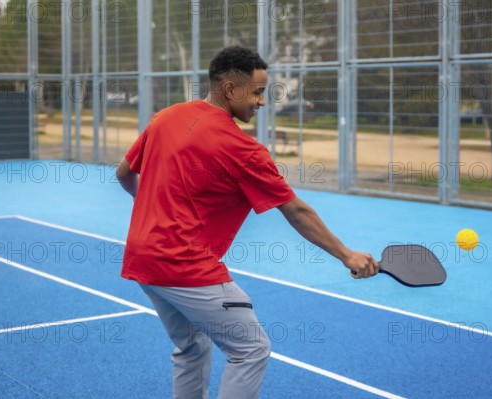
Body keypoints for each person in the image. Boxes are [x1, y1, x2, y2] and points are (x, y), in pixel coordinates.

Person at [116, 45, 379, 399]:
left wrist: (155, 209)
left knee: (191, 348)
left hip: (143, 259)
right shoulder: (242, 149)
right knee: (251, 349)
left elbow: (124, 173)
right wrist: (347, 255)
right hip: (186, 267)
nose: (261, 101)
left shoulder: (165, 117)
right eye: (257, 92)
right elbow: (295, 211)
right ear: (230, 90)